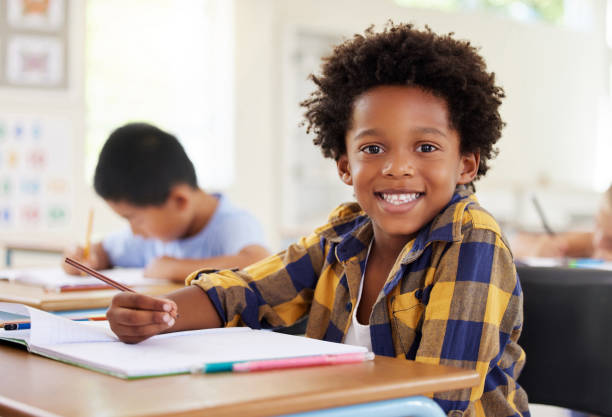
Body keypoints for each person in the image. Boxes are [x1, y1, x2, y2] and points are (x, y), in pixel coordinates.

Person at [105, 23, 528, 416]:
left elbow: (441, 394)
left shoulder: (472, 241)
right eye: (373, 149)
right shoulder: (342, 236)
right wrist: (160, 314)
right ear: (345, 166)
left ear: (467, 165)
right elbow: (246, 292)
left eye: (426, 147)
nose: (398, 167)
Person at [63, 123, 270, 282]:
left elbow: (260, 264)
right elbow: (105, 251)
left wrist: (173, 268)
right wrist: (85, 257)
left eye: (135, 219)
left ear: (180, 201)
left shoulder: (233, 224)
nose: (134, 231)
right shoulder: (153, 237)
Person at [513, 185, 612, 260]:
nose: (598, 241)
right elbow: (515, 245)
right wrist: (536, 251)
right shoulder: (588, 242)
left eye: (610, 241)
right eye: (598, 224)